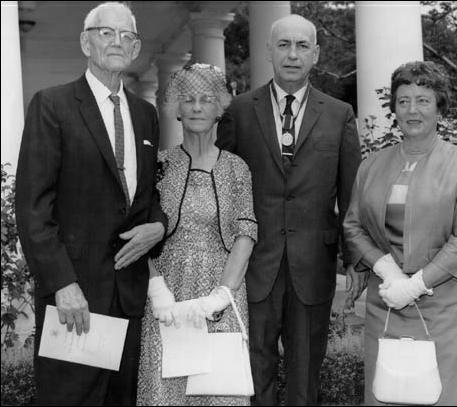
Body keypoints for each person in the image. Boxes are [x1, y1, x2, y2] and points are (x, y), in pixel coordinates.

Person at [15, 2, 167, 405]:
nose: (117, 42)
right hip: (74, 300)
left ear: (135, 50)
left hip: (127, 298)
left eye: (127, 36)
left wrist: (159, 226)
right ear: (86, 42)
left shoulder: (146, 115)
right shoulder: (52, 105)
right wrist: (62, 283)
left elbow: (146, 198)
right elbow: (33, 207)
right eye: (106, 33)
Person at [216, 14, 362, 406]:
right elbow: (223, 189)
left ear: (315, 54)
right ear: (268, 51)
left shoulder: (339, 114)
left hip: (313, 263)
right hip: (254, 264)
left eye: (301, 46)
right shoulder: (239, 111)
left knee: (305, 374)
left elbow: (351, 195)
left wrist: (355, 260)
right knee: (253, 368)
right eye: (283, 45)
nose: (292, 55)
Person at [344, 60, 457, 405]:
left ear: (440, 107)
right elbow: (353, 225)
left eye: (423, 100)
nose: (413, 110)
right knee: (388, 394)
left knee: (448, 395)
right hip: (387, 304)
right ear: (394, 107)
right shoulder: (371, 165)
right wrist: (389, 273)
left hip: (444, 306)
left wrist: (415, 285)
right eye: (404, 100)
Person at [136, 63, 258, 406]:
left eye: (206, 99)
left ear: (220, 107)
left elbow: (245, 232)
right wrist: (157, 290)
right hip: (167, 297)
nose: (197, 107)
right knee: (165, 393)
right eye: (188, 99)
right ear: (176, 108)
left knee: (219, 392)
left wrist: (222, 295)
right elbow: (141, 231)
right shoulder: (158, 165)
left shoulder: (236, 167)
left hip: (220, 291)